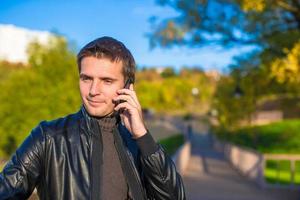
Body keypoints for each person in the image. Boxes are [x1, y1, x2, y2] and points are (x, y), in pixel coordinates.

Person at [0, 36, 186, 199]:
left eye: (107, 81)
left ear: (128, 87)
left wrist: (143, 136)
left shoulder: (139, 144)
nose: (93, 91)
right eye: (86, 79)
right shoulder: (48, 137)